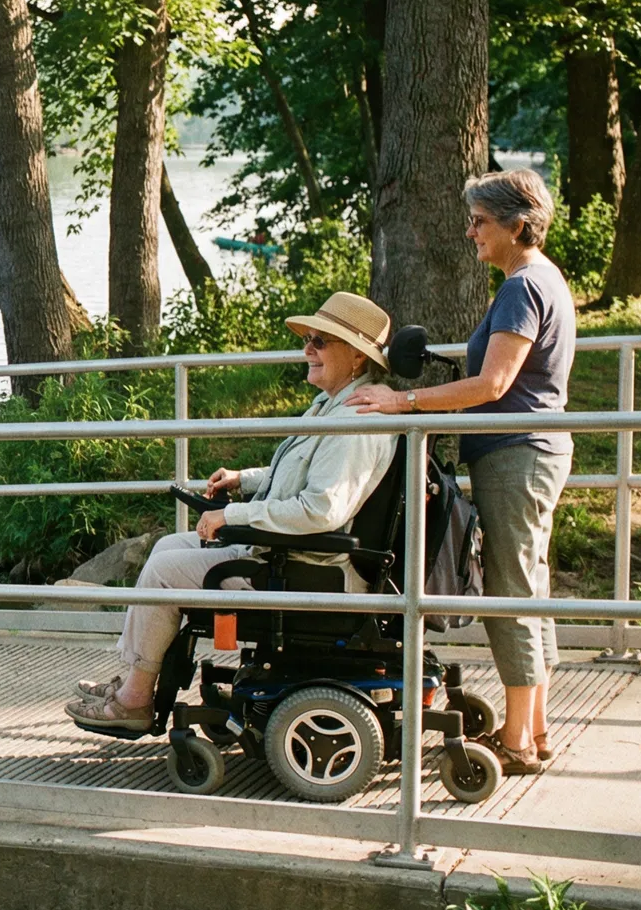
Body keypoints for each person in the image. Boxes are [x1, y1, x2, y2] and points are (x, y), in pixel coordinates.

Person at [65, 292, 400, 734]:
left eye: (320, 341)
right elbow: (301, 474)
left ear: (357, 357)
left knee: (166, 571)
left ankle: (135, 701)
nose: (307, 350)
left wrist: (235, 515)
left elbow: (322, 509)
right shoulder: (334, 404)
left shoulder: (355, 422)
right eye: (309, 339)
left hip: (309, 567)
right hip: (293, 554)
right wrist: (246, 478)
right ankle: (135, 679)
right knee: (168, 546)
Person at [346, 169, 574, 777]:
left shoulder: (522, 287)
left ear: (518, 227)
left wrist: (402, 402)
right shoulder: (538, 280)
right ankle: (537, 727)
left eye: (480, 221)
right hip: (530, 449)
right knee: (529, 584)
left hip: (516, 452)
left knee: (511, 592)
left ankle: (520, 739)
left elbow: (495, 384)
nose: (470, 231)